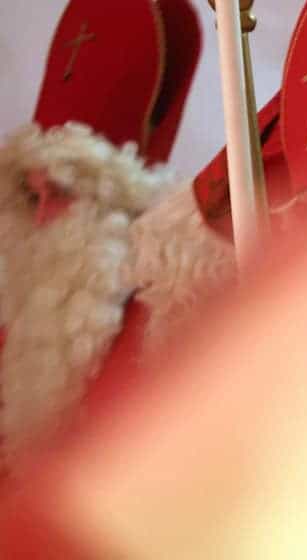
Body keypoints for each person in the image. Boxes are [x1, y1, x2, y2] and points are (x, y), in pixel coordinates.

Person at [0, 0, 201, 469]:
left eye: (63, 193)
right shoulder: (18, 320)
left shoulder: (162, 332)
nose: (44, 215)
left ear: (123, 206)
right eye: (32, 196)